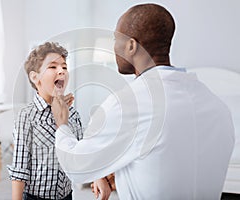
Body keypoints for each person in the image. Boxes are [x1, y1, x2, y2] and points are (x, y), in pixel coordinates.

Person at [51, 3, 235, 200]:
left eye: (115, 39)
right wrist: (122, 174)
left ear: (131, 46)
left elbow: (76, 165)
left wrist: (62, 123)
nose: (113, 47)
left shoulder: (128, 104)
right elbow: (170, 161)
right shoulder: (218, 108)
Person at [7, 42, 111, 200]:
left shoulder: (73, 114)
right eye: (53, 67)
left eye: (64, 67)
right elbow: (20, 168)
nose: (61, 71)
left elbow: (81, 151)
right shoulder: (26, 116)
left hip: (67, 195)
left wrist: (98, 176)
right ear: (35, 77)